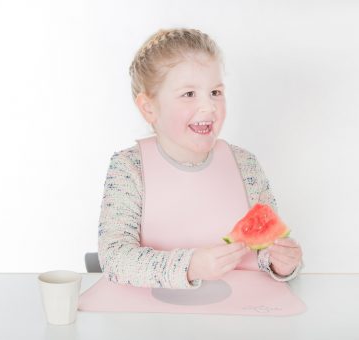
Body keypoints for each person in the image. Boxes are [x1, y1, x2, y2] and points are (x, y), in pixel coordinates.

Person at [98, 28, 302, 289]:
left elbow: (263, 249)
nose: (209, 107)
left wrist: (281, 263)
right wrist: (191, 266)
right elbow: (115, 259)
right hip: (151, 321)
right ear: (149, 108)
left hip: (236, 320)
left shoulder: (245, 165)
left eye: (215, 92)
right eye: (189, 94)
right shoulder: (128, 169)